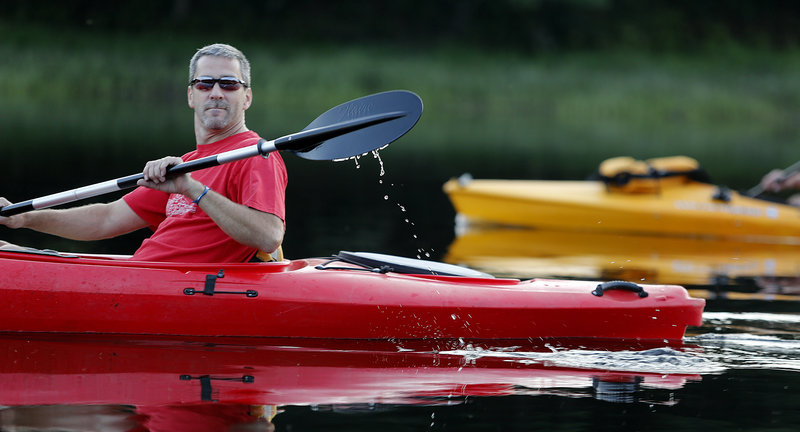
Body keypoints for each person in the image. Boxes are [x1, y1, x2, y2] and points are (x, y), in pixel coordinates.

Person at [0, 43, 287, 263]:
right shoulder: (187, 164)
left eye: (228, 84)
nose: (215, 92)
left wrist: (193, 189)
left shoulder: (255, 155)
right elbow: (107, 219)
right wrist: (25, 218)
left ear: (246, 97)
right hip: (142, 276)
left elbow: (268, 236)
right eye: (204, 83)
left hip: (175, 290)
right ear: (191, 95)